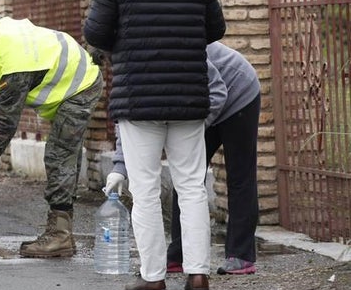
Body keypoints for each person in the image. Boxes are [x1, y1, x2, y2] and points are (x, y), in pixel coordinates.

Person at [84, 0, 227, 290]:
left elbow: (95, 33)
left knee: (145, 189)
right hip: (188, 98)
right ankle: (198, 276)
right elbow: (215, 29)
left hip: (138, 100)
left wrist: (126, 43)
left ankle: (154, 277)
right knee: (192, 186)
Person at [0, 16, 103, 258]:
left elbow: (6, 127)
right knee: (64, 156)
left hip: (80, 85)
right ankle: (62, 232)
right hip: (68, 73)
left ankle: (60, 235)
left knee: (58, 156)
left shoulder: (14, 71)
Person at [106, 41, 262, 276]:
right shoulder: (131, 70)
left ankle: (241, 255)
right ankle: (178, 255)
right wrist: (120, 166)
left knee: (239, 176)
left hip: (238, 91)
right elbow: (127, 120)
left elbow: (218, 92)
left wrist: (191, 132)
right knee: (186, 178)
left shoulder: (163, 52)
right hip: (200, 102)